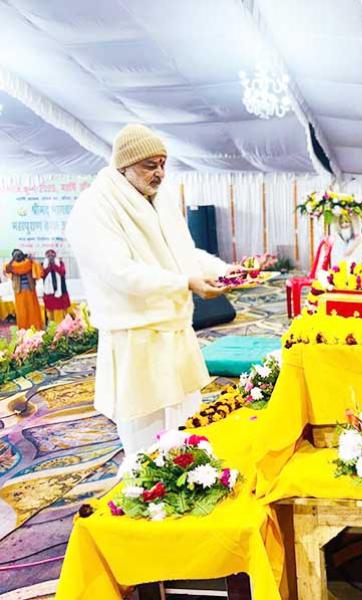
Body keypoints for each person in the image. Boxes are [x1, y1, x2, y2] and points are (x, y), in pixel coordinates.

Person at [65, 124, 233, 463]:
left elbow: (183, 253)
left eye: (162, 164)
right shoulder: (93, 208)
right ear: (124, 165)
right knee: (144, 444)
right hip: (135, 336)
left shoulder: (160, 199)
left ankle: (191, 486)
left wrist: (224, 271)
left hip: (175, 329)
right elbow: (120, 273)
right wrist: (186, 283)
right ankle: (143, 503)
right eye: (149, 165)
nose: (159, 174)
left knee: (188, 428)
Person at [4, 249, 43, 330]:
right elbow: (7, 269)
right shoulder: (13, 265)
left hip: (30, 289)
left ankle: (36, 328)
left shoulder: (28, 262)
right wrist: (12, 260)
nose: (18, 256)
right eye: (15, 255)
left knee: (32, 310)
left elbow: (38, 268)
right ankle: (23, 329)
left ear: (22, 254)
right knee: (21, 311)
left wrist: (31, 259)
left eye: (19, 254)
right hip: (19, 291)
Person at [42, 249, 72, 324]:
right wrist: (49, 266)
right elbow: (42, 274)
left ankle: (63, 326)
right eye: (48, 255)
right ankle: (52, 326)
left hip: (60, 292)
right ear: (46, 256)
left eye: (52, 254)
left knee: (61, 312)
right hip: (50, 293)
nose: (50, 256)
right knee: (50, 313)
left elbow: (62, 272)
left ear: (55, 255)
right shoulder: (43, 264)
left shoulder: (60, 263)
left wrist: (54, 265)